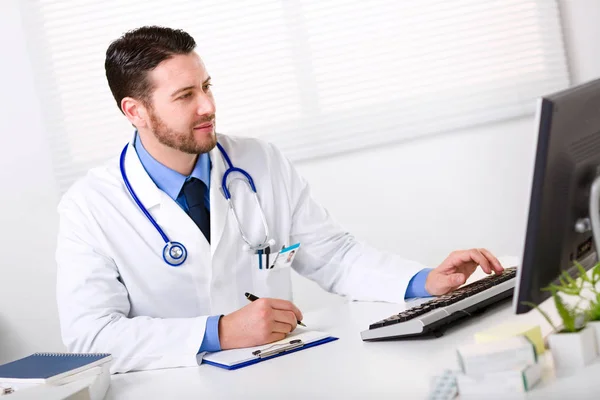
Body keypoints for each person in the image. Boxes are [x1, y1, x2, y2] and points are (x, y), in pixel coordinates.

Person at [55, 26, 504, 373]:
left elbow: (334, 256)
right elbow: (90, 337)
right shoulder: (90, 207)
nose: (208, 106)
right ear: (135, 111)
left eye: (207, 86)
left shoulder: (258, 161)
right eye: (185, 96)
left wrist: (425, 281)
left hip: (282, 370)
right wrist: (220, 331)